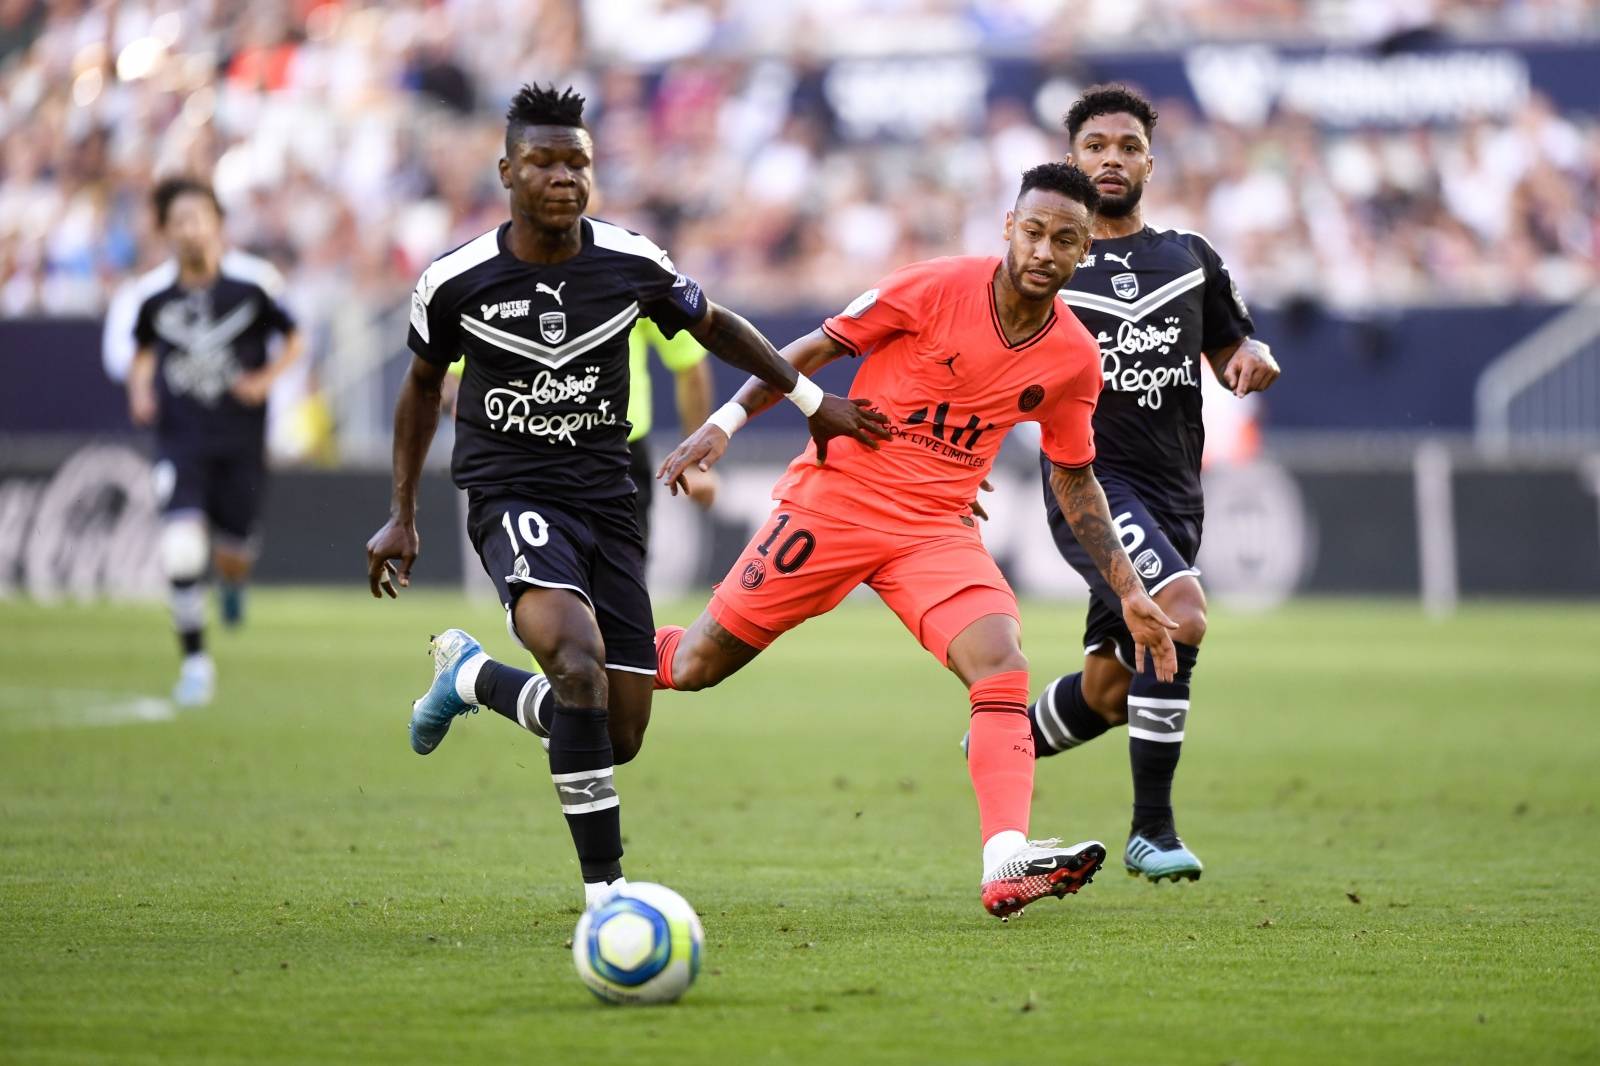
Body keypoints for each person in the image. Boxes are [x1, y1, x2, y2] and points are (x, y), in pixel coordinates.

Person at [363, 84, 886, 907]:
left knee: (617, 730)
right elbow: (422, 387)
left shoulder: (632, 262)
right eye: (543, 161)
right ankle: (608, 899)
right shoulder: (455, 281)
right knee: (575, 663)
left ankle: (472, 677)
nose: (564, 176)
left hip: (611, 497)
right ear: (506, 170)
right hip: (511, 491)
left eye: (578, 162)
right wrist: (402, 512)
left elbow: (716, 326)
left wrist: (816, 401)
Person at [650, 162, 1180, 921]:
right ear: (1008, 227)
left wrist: (1130, 590)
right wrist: (723, 424)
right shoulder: (933, 286)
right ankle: (539, 675)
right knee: (696, 664)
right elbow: (811, 349)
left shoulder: (1072, 358)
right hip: (833, 502)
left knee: (1001, 662)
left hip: (935, 529)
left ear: (1085, 251)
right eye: (1032, 232)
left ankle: (1006, 862)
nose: (1043, 251)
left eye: (1065, 240)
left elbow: (1075, 476)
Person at [1020, 85, 1282, 883]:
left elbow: (1231, 346)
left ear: (1149, 162)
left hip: (1175, 493)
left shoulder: (1190, 258)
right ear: (1073, 159)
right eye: (1095, 145)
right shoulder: (1049, 263)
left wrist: (1246, 360)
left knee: (1106, 690)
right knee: (1180, 614)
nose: (1111, 158)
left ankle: (1000, 738)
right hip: (1091, 486)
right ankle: (1152, 830)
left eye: (1127, 146)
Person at [126, 177, 304, 706]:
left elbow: (295, 338)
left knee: (235, 550)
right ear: (166, 232)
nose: (188, 230)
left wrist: (265, 380)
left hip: (240, 443)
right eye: (178, 221)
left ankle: (231, 585)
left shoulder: (252, 288)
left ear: (218, 226)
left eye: (197, 218)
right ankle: (196, 663)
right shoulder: (155, 299)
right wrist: (139, 390)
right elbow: (140, 351)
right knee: (181, 550)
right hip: (180, 440)